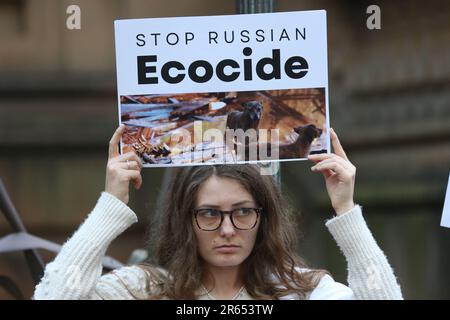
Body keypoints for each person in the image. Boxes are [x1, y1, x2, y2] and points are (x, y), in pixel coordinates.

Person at [33, 125, 402, 300]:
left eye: (242, 212)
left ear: (264, 217)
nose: (227, 229)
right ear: (184, 221)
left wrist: (345, 209)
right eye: (209, 214)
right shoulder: (141, 291)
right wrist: (110, 207)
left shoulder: (301, 292)